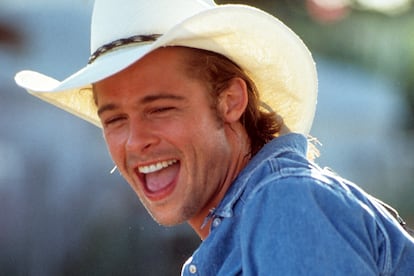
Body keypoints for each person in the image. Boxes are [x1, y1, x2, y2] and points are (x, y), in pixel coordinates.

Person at [15, 0, 414, 275]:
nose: (135, 141)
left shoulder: (285, 205)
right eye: (114, 119)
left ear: (231, 102)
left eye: (160, 109)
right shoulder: (254, 221)